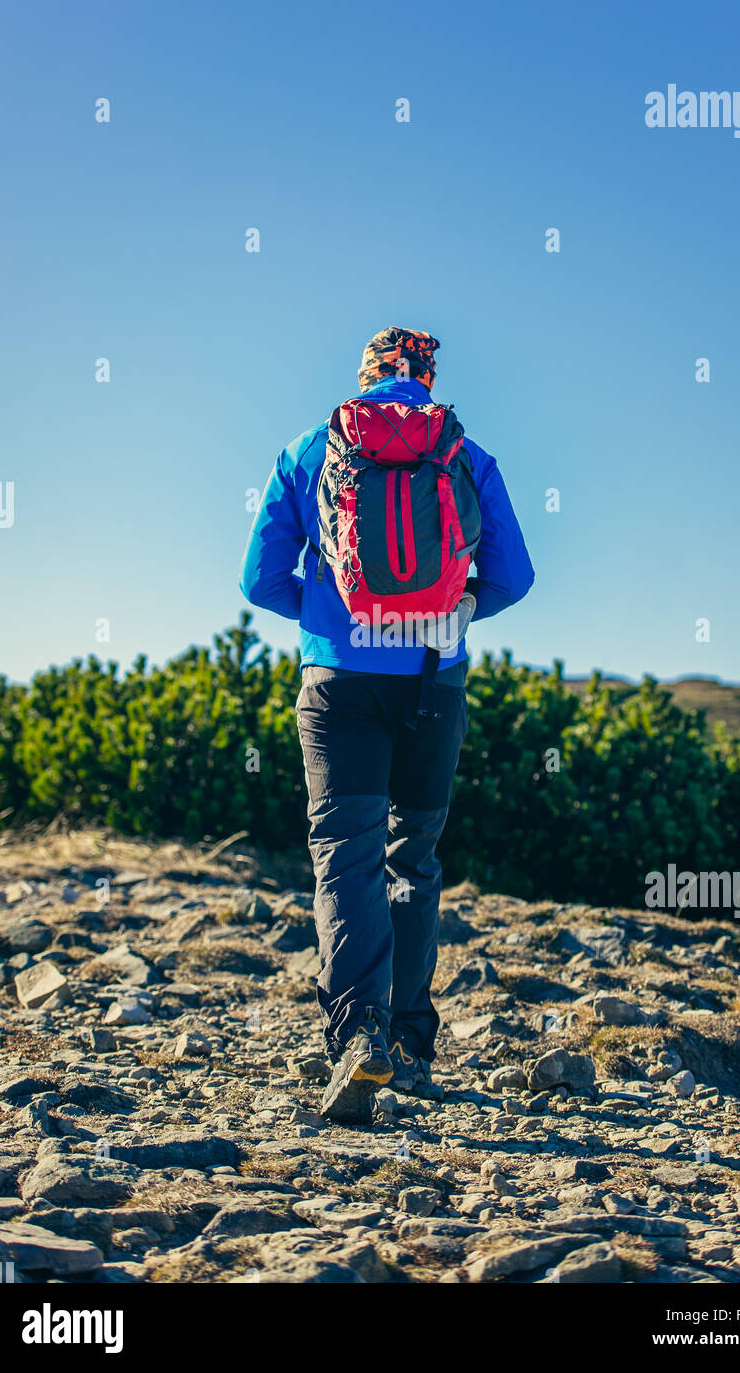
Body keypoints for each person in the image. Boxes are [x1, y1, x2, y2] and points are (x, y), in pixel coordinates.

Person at [240, 327, 534, 1123]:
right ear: (427, 379)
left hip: (338, 683)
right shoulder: (464, 453)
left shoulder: (312, 449)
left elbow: (259, 579)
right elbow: (514, 575)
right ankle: (411, 1043)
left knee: (345, 855)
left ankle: (357, 1035)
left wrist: (335, 622)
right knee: (414, 855)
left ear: (363, 375)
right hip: (434, 679)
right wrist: (455, 609)